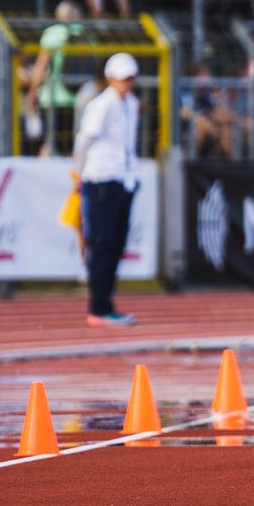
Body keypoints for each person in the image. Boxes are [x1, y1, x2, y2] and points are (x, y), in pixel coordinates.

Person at [74, 52, 142, 328]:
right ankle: (99, 306)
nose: (127, 83)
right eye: (122, 78)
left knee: (116, 244)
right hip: (100, 178)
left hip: (122, 179)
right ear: (110, 78)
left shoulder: (131, 105)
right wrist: (79, 173)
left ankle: (106, 303)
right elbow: (84, 140)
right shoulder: (102, 105)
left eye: (130, 78)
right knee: (101, 244)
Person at [26, 0, 85, 156]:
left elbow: (41, 65)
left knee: (48, 144)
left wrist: (32, 92)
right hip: (78, 97)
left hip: (53, 97)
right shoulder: (85, 32)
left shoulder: (53, 33)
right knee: (71, 148)